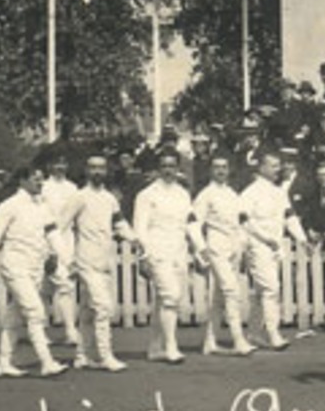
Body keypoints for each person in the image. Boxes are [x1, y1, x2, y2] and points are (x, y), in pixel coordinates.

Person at [0, 166, 70, 379]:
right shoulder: (8, 206)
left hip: (34, 266)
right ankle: (47, 362)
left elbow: (53, 235)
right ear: (22, 181)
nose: (40, 183)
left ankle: (4, 363)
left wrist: (67, 261)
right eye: (35, 179)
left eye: (42, 179)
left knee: (15, 315)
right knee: (35, 311)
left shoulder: (43, 206)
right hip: (14, 264)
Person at [62, 153, 135, 371]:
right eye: (93, 167)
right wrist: (66, 258)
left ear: (106, 171)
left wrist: (135, 239)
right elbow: (60, 226)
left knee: (88, 310)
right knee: (103, 307)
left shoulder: (109, 198)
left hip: (104, 261)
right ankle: (105, 356)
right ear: (86, 170)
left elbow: (119, 224)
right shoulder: (79, 197)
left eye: (101, 168)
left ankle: (82, 356)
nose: (97, 172)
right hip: (85, 260)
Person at [132, 147, 204, 364]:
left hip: (178, 252)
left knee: (164, 301)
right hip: (157, 251)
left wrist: (201, 248)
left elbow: (190, 222)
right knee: (170, 296)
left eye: (172, 166)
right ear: (157, 168)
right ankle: (171, 347)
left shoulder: (183, 194)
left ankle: (155, 347)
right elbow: (140, 228)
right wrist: (143, 257)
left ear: (178, 168)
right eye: (164, 166)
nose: (168, 170)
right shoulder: (146, 195)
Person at [241, 149, 309, 352]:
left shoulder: (279, 192)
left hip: (275, 247)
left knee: (263, 291)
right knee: (271, 288)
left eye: (278, 166)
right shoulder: (249, 193)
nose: (277, 169)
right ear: (261, 167)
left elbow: (289, 216)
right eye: (273, 165)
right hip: (257, 246)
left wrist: (302, 239)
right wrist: (265, 239)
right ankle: (273, 333)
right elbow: (245, 222)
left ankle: (253, 333)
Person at [192, 155, 255, 357]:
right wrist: (201, 249)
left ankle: (210, 341)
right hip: (216, 245)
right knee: (231, 290)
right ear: (211, 170)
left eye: (224, 167)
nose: (221, 170)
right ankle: (238, 339)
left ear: (229, 170)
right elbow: (193, 224)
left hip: (233, 247)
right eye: (217, 167)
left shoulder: (232, 194)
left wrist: (243, 247)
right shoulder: (205, 195)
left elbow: (241, 223)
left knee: (219, 296)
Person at [40, 157, 83, 353]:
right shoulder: (43, 187)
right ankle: (41, 331)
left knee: (65, 284)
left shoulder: (73, 188)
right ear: (49, 166)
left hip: (66, 239)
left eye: (63, 163)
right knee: (43, 287)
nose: (60, 167)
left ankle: (70, 331)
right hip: (43, 238)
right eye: (56, 163)